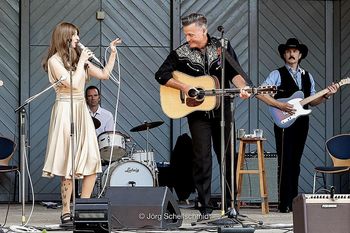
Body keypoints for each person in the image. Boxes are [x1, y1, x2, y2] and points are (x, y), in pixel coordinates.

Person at [155, 13, 250, 219]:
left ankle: (230, 205)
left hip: (222, 109)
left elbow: (236, 73)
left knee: (227, 157)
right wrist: (185, 87)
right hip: (197, 112)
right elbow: (161, 75)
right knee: (201, 159)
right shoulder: (181, 53)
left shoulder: (222, 46)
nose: (188, 39)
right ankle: (205, 208)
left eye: (191, 34)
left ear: (204, 30)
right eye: (186, 35)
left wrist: (243, 88)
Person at [41, 22, 121, 224]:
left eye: (78, 35)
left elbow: (104, 75)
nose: (78, 39)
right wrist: (83, 60)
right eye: (75, 36)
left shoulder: (79, 59)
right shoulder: (54, 61)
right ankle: (66, 210)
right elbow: (74, 84)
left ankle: (83, 208)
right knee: (68, 162)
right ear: (65, 37)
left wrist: (111, 54)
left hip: (81, 111)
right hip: (65, 109)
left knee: (92, 160)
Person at [257, 38, 338, 213]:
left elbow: (313, 100)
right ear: (284, 55)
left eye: (294, 51)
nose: (291, 53)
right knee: (285, 160)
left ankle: (293, 201)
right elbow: (260, 92)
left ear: (300, 55)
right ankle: (283, 203)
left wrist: (326, 95)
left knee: (296, 161)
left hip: (302, 122)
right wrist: (280, 105)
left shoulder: (307, 76)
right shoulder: (276, 74)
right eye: (288, 51)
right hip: (284, 120)